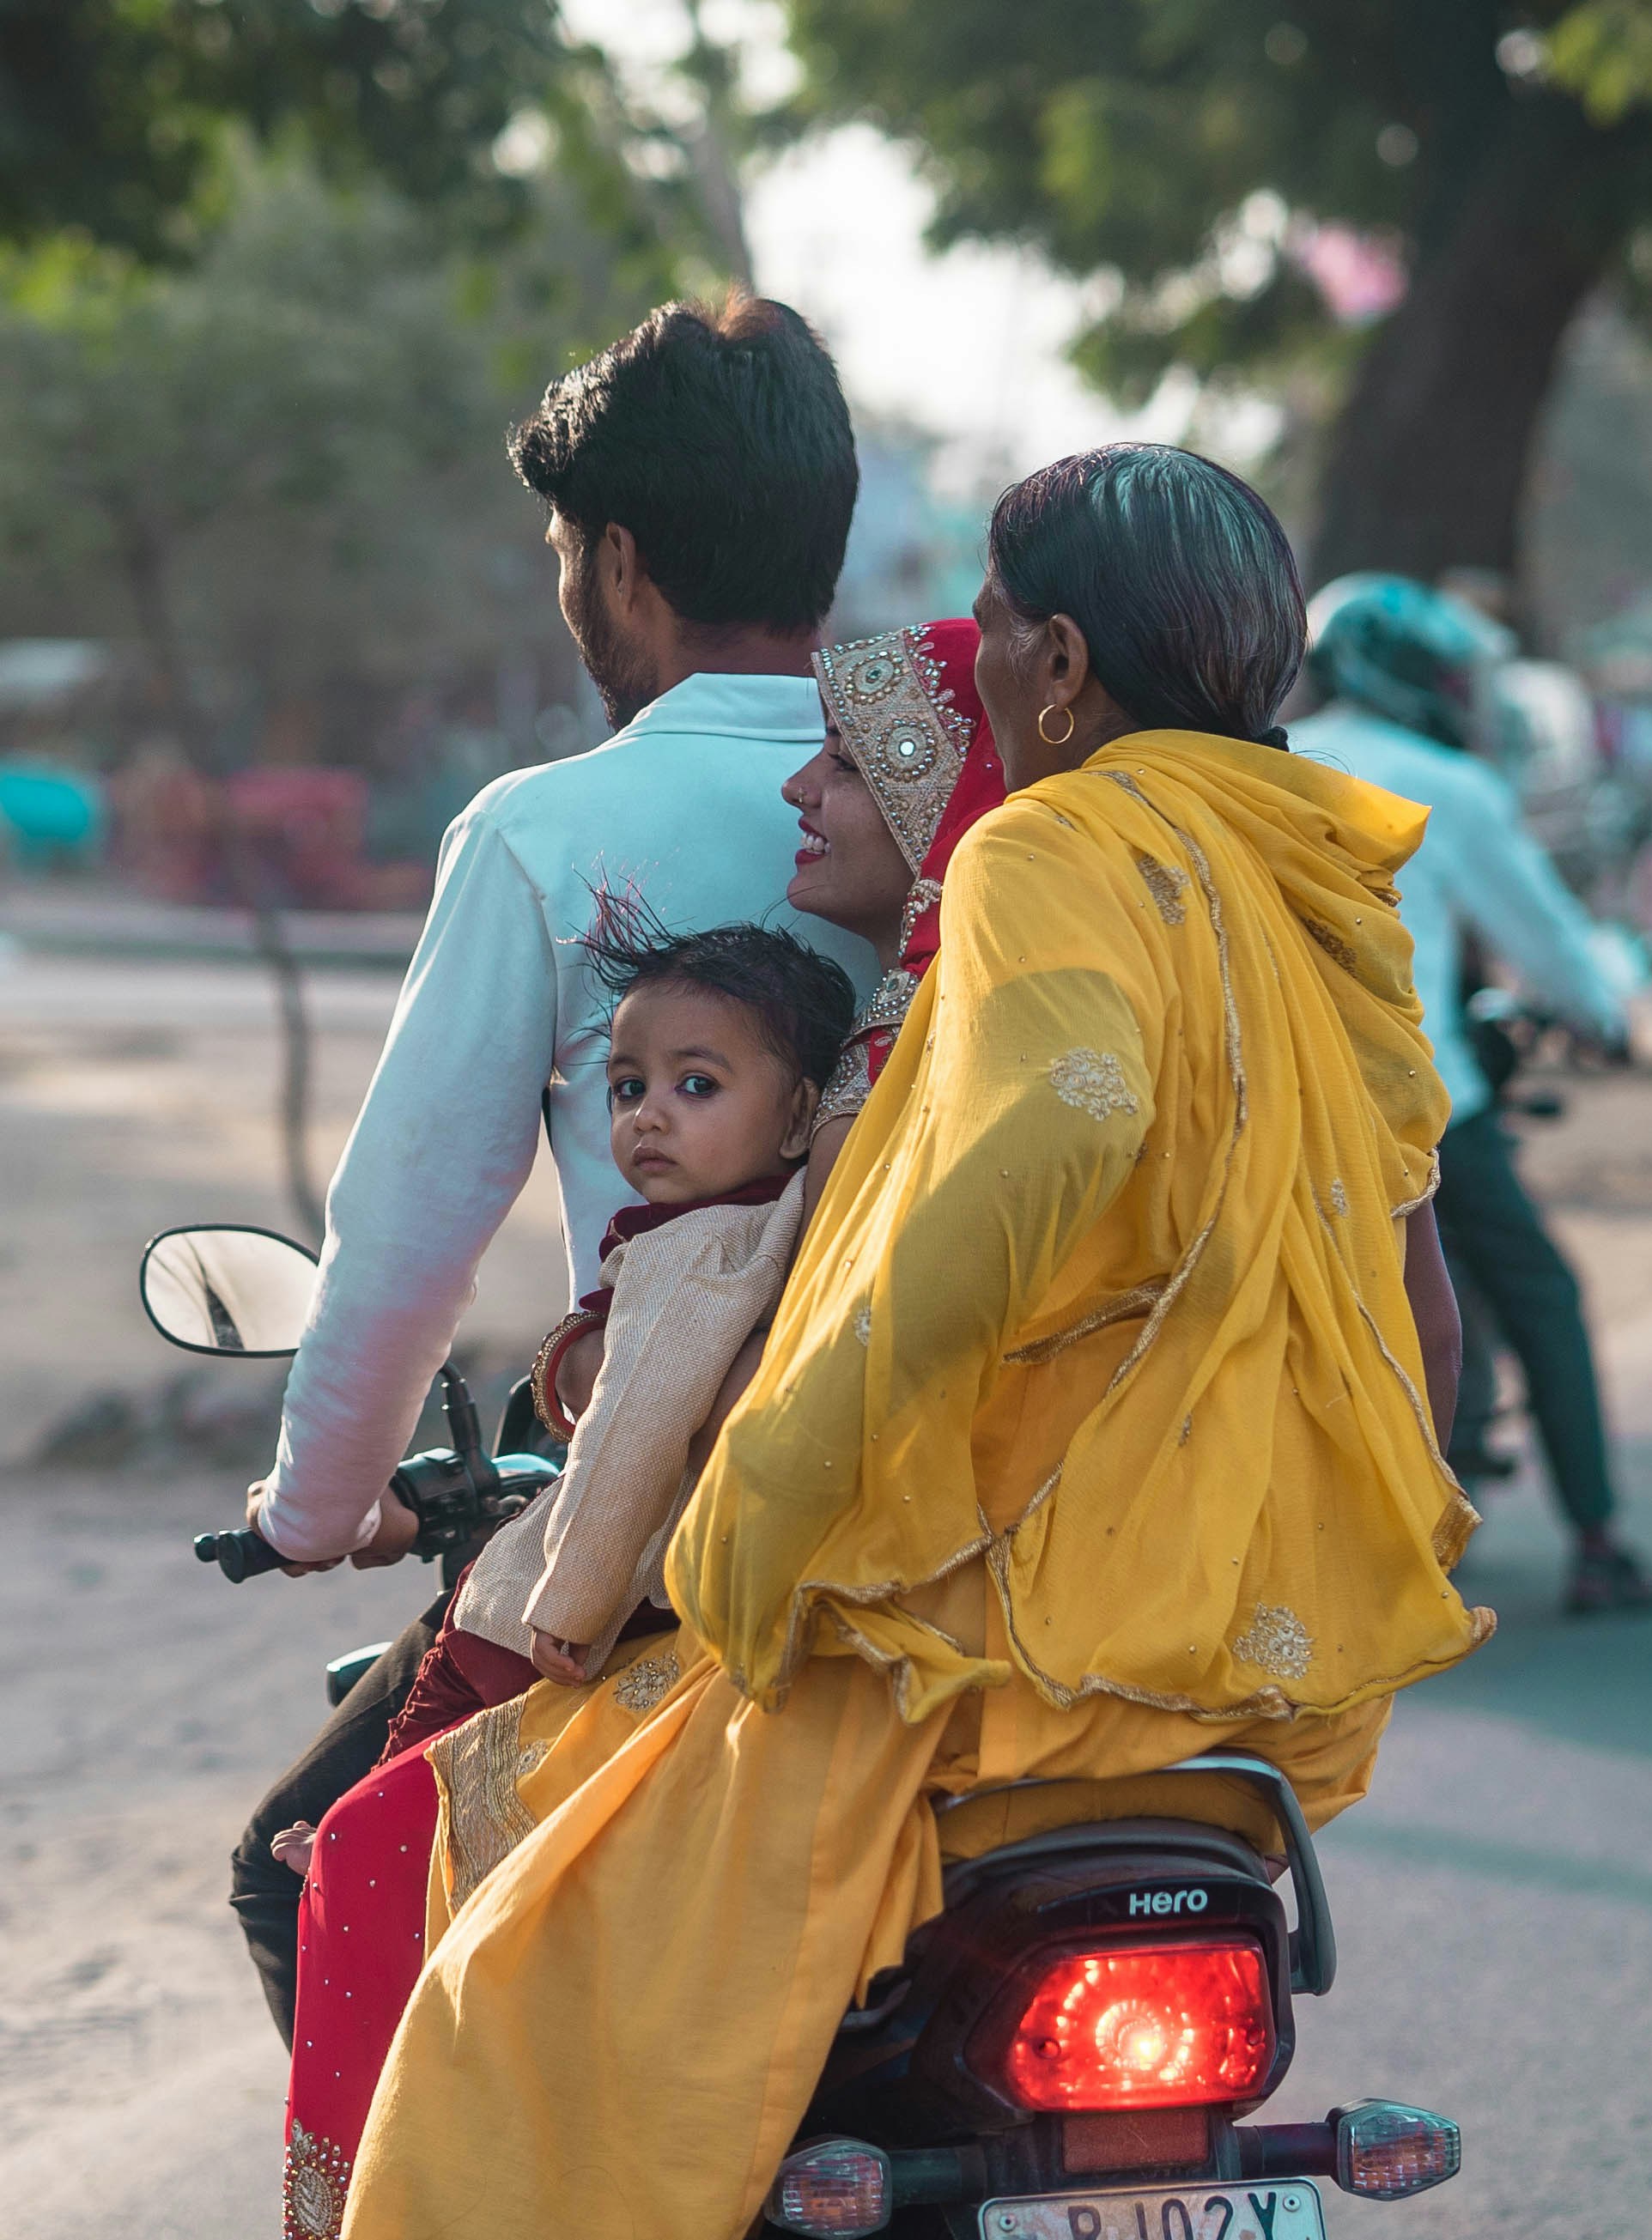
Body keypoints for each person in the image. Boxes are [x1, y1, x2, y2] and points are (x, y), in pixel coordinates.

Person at [340, 449, 1492, 2240]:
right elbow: (1416, 1283)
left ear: (1059, 663)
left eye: (999, 622)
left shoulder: (1051, 842)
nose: (992, 655)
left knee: (508, 1955)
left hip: (1005, 1654)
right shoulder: (1317, 879)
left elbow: (1042, 1153)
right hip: (1265, 1684)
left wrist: (776, 1485)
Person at [274, 622, 1000, 2240]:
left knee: (353, 1852)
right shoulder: (938, 1032)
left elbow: (426, 1263)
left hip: (718, 1613)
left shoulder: (875, 1073)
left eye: (848, 767)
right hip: (911, 1606)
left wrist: (341, 1518)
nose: (797, 797)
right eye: (627, 1090)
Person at [228, 292, 875, 2046]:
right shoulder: (961, 795)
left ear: (622, 561)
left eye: (566, 555)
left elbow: (407, 1231)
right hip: (952, 1493)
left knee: (299, 1870)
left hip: (669, 1506)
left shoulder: (541, 829)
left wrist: (313, 1507)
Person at [1291, 574, 1652, 1615]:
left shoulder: (1268, 764)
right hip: (1418, 1104)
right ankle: (1595, 1539)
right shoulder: (1443, 785)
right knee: (1540, 1292)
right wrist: (1602, 1016)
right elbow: (1545, 937)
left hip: (1275, 1095)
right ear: (1410, 676)